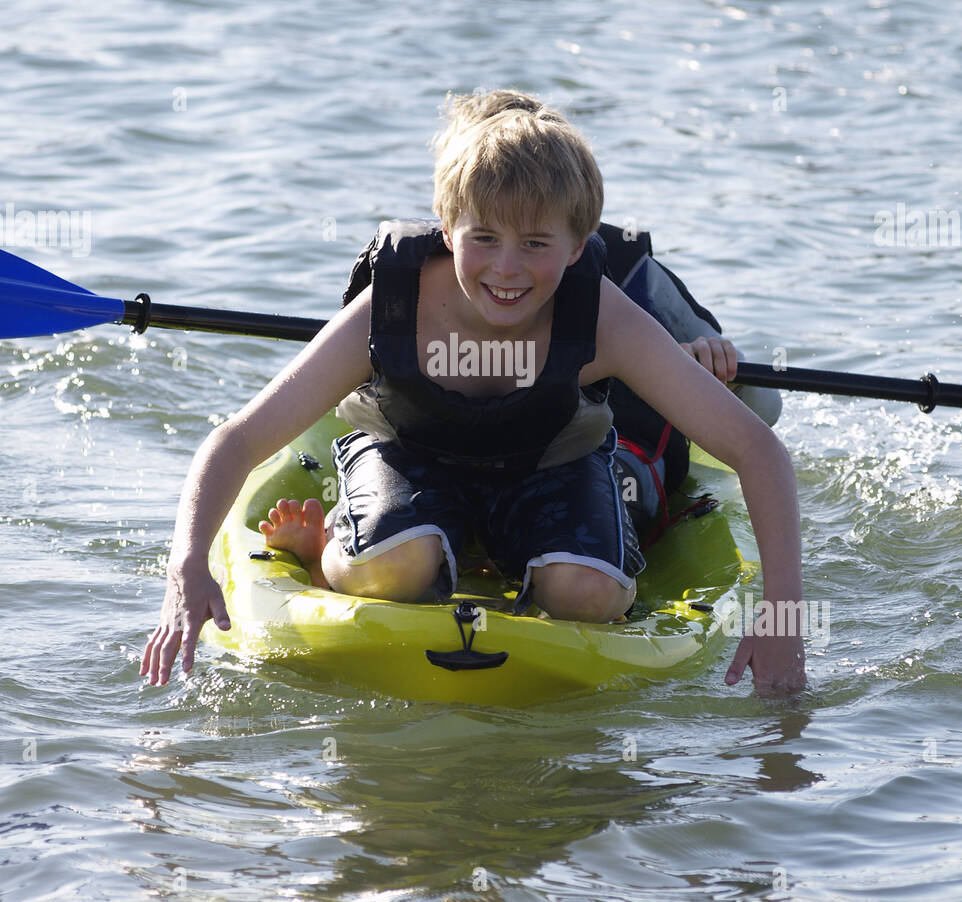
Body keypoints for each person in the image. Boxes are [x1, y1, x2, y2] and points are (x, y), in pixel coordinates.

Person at [141, 92, 805, 694]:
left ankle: (525, 551)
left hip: (550, 465)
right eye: (483, 237)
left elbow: (757, 449)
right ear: (446, 222)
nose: (506, 268)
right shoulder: (391, 307)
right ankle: (330, 552)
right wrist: (187, 568)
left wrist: (781, 617)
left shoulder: (604, 316)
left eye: (536, 242)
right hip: (410, 457)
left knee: (588, 592)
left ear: (579, 245)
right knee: (399, 565)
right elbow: (238, 438)